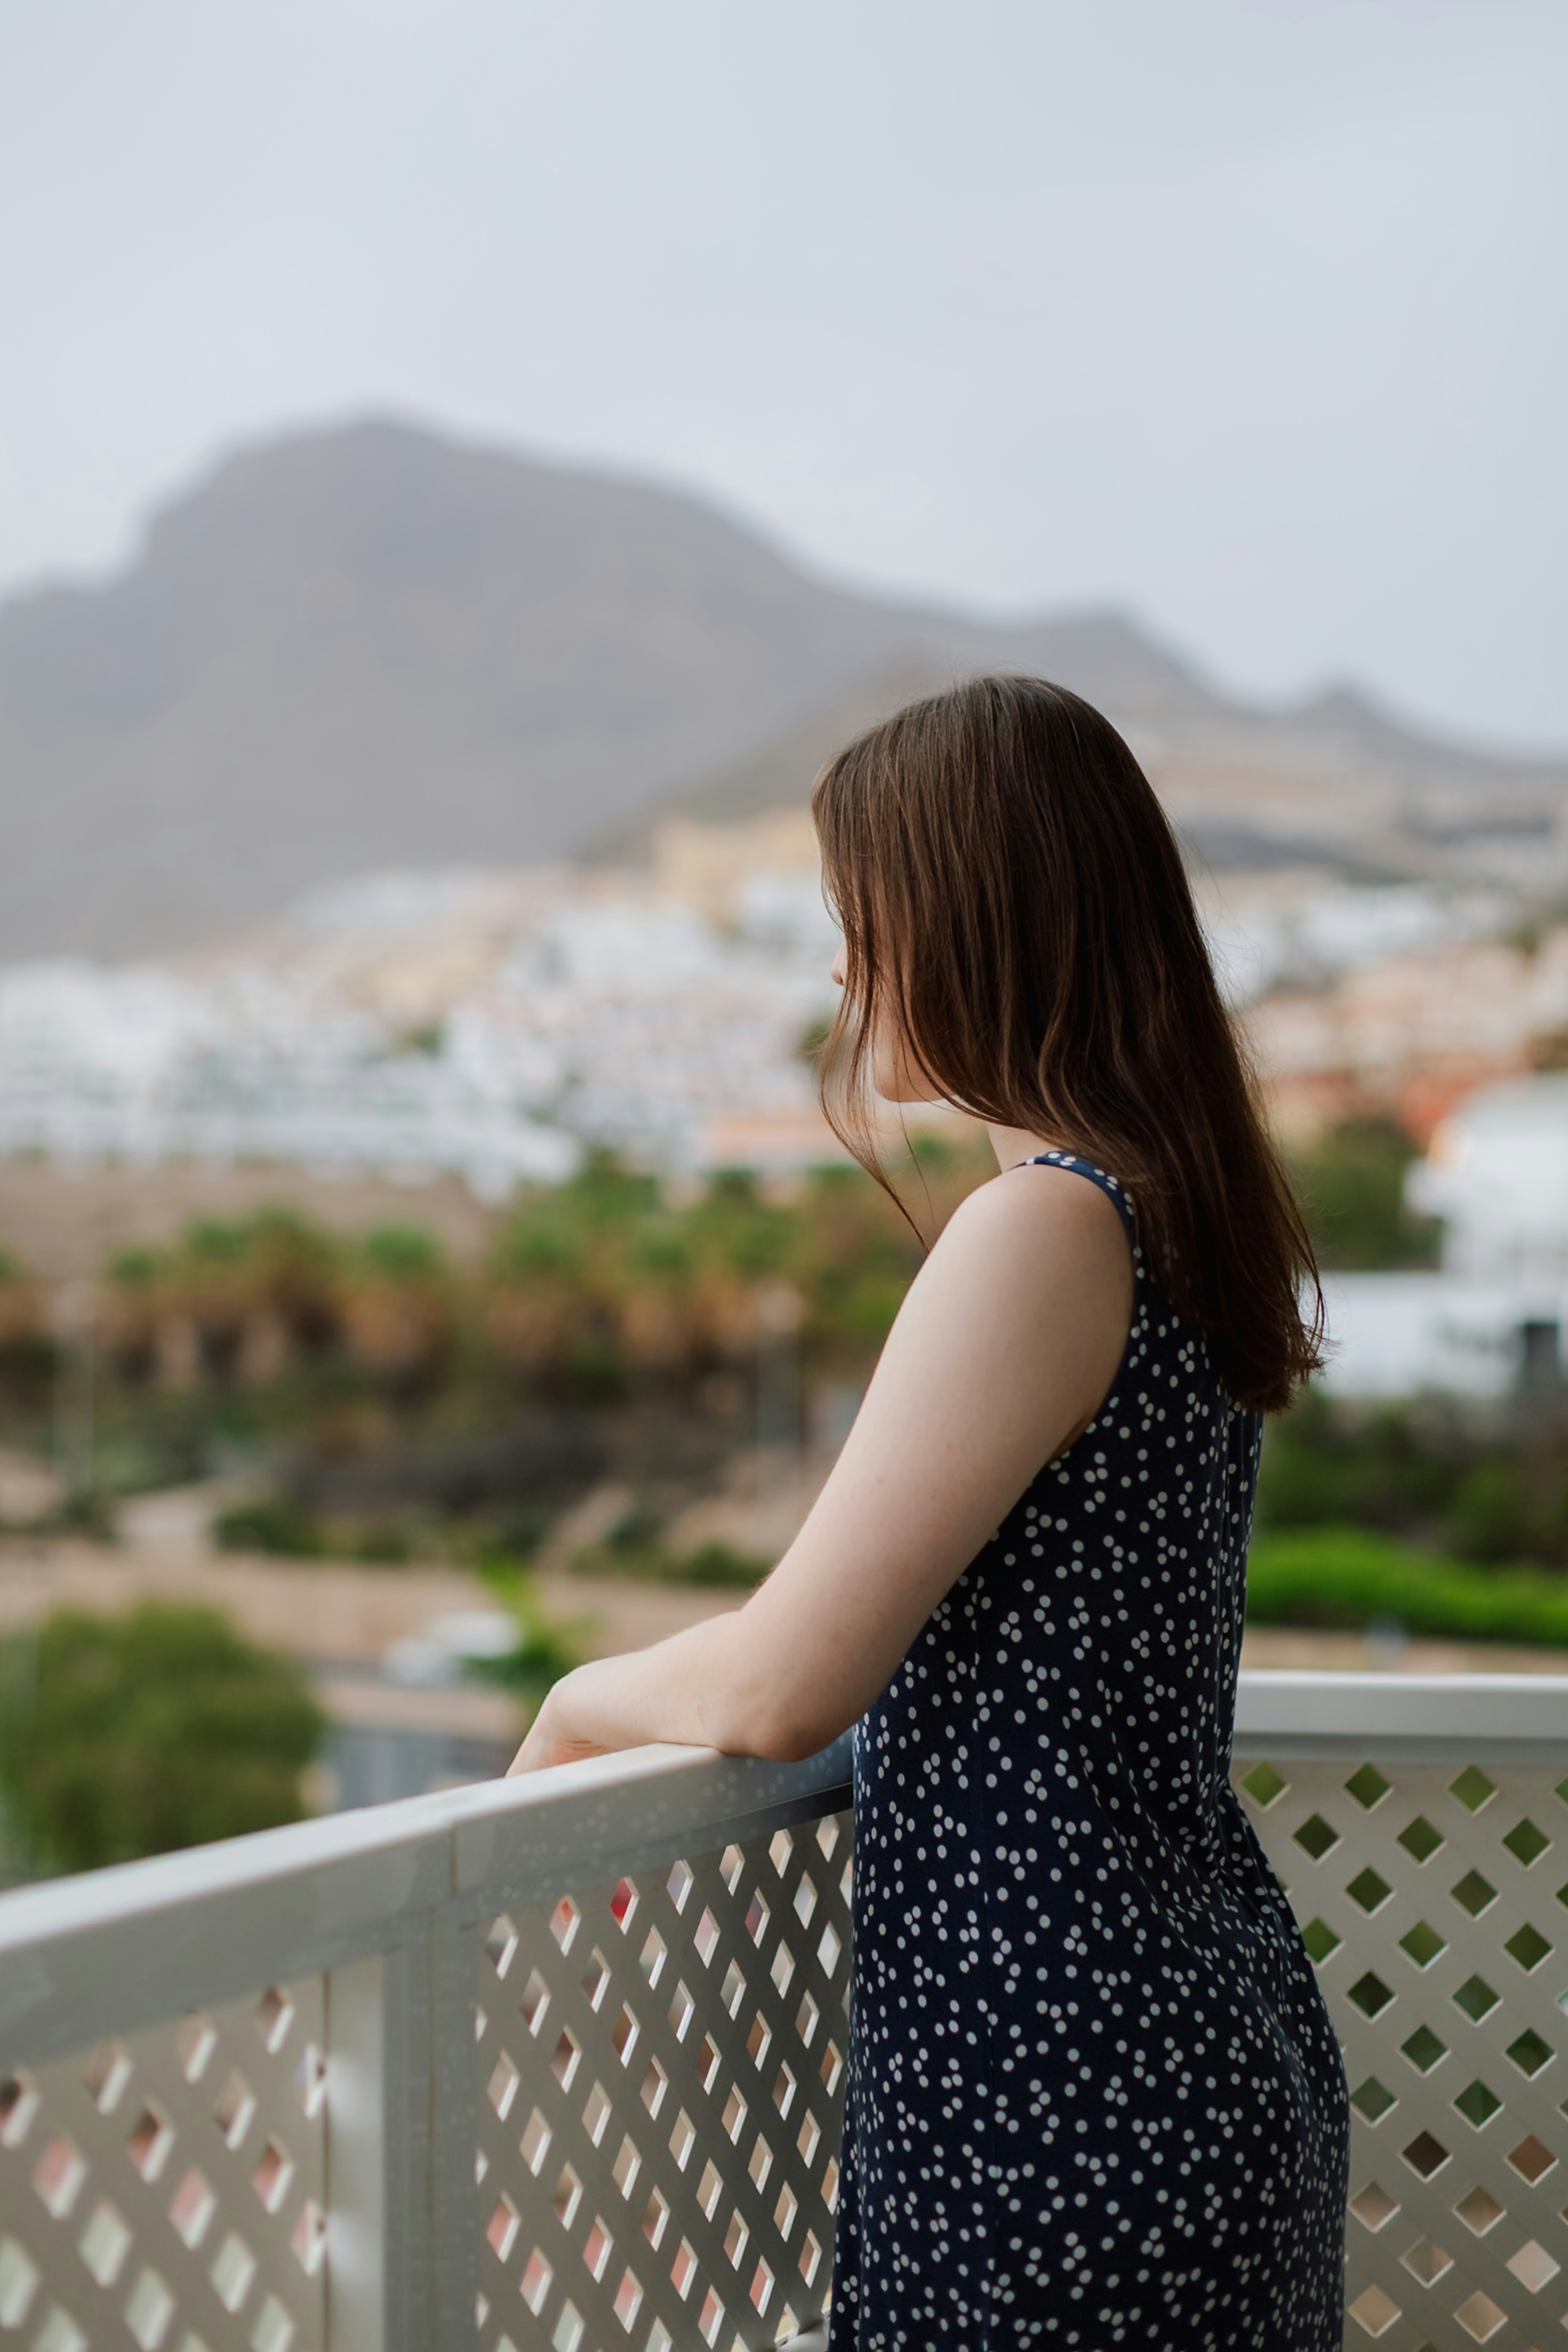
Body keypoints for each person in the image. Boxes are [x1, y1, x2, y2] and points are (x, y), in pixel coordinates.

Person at [510, 674, 1350, 2349]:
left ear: (978, 921)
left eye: (863, 918)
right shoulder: (1170, 1216)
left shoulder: (1044, 1230)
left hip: (1061, 2109)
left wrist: (574, 1698)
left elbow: (782, 1682)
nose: (843, 970)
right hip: (1181, 2060)